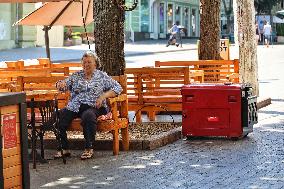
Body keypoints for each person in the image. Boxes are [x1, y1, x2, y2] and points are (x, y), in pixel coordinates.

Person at [54, 51, 122, 160]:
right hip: (75, 106)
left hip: (95, 106)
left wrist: (103, 96)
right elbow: (63, 85)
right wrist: (59, 84)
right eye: (84, 62)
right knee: (57, 116)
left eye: (89, 62)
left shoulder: (102, 76)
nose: (86, 64)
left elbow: (118, 87)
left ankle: (88, 148)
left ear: (95, 63)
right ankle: (64, 148)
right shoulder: (76, 76)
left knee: (88, 116)